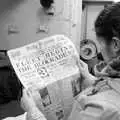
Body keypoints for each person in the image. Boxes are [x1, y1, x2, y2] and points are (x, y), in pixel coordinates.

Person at [69, 2, 120, 120]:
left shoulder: (103, 108)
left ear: (115, 44)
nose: (100, 51)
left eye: (100, 43)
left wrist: (33, 112)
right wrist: (90, 78)